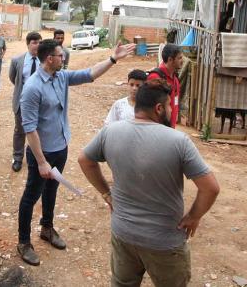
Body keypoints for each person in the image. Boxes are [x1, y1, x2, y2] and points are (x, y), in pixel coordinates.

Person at [78, 81, 220, 287]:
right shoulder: (178, 141)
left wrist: (107, 194)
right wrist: (193, 216)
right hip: (164, 241)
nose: (171, 110)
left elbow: (84, 160)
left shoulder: (110, 132)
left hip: (123, 234)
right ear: (159, 108)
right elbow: (211, 187)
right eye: (169, 106)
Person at [16, 39, 135, 266]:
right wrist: (41, 162)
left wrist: (112, 58)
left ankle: (47, 228)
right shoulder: (32, 87)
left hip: (60, 147)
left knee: (52, 190)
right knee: (31, 196)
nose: (64, 58)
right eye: (61, 56)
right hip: (42, 154)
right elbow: (29, 128)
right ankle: (23, 242)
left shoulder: (61, 77)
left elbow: (90, 74)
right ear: (50, 58)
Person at [8, 31, 42, 172]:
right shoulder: (17, 60)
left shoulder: (46, 60)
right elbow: (13, 78)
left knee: (39, 130)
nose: (37, 45)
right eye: (34, 42)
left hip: (41, 102)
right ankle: (17, 158)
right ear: (28, 44)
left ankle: (36, 157)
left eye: (39, 42)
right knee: (20, 131)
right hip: (22, 101)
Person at [147, 44, 184, 128]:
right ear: (170, 59)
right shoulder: (155, 78)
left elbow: (175, 103)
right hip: (157, 129)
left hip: (170, 128)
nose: (182, 61)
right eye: (179, 58)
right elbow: (149, 107)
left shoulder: (175, 79)